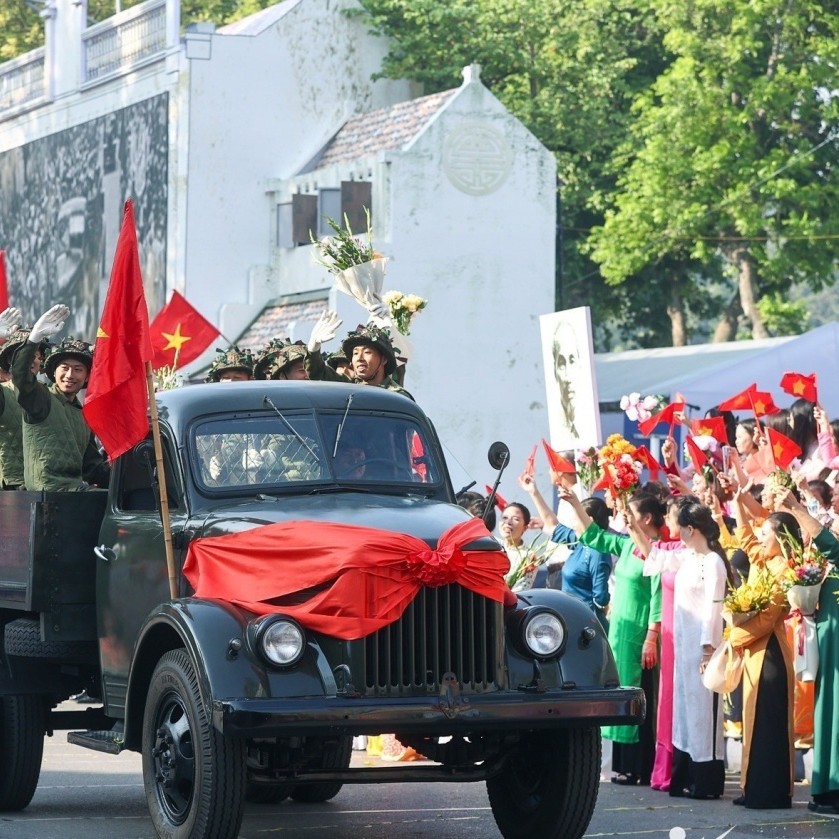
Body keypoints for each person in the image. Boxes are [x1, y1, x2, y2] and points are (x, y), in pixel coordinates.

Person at [560, 487, 664, 786]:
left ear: (645, 518)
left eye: (629, 514)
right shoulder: (627, 545)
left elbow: (657, 596)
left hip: (639, 633)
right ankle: (623, 764)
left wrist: (651, 636)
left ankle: (639, 765)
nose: (623, 518)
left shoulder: (657, 552)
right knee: (622, 693)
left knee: (638, 695)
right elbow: (593, 535)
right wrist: (576, 504)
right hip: (619, 630)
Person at [632, 499, 729, 799]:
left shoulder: (713, 561)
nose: (675, 531)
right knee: (685, 714)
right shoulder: (687, 556)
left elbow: (714, 608)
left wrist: (707, 648)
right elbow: (655, 556)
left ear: (691, 528)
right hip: (682, 647)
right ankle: (685, 778)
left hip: (702, 648)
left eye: (680, 526)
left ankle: (705, 781)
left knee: (703, 714)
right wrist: (633, 526)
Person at [727, 486, 795, 809]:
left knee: (767, 724)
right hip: (754, 651)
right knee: (751, 720)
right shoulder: (763, 562)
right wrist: (739, 502)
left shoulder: (782, 569)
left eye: (766, 532)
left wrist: (734, 638)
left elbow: (768, 619)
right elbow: (746, 540)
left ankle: (769, 791)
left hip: (770, 655)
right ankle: (751, 786)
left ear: (781, 539)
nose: (760, 536)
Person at [11, 304, 109, 491]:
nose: (70, 375)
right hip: (47, 494)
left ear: (87, 376)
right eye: (64, 368)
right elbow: (20, 375)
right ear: (53, 372)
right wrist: (34, 338)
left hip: (75, 492)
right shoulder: (41, 399)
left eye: (78, 369)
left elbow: (93, 468)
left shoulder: (84, 416)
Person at [519, 473, 612, 626]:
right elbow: (551, 524)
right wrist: (533, 491)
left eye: (576, 517)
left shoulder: (598, 550)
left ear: (590, 520)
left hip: (588, 623)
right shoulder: (579, 541)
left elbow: (600, 597)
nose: (573, 522)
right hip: (572, 617)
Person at [306, 311, 412, 399]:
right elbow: (319, 373)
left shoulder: (397, 396)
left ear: (384, 359)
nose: (360, 358)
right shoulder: (346, 386)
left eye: (367, 352)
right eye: (355, 353)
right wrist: (314, 347)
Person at [0, 322, 50, 490]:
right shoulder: (3, 393)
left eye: (34, 355)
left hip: (46, 487)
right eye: (20, 355)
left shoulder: (53, 397)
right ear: (9, 361)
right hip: (11, 488)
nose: (29, 360)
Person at [551, 320, 581, 439]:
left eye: (572, 361)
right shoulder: (554, 428)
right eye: (562, 364)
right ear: (555, 370)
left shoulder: (588, 424)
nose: (568, 377)